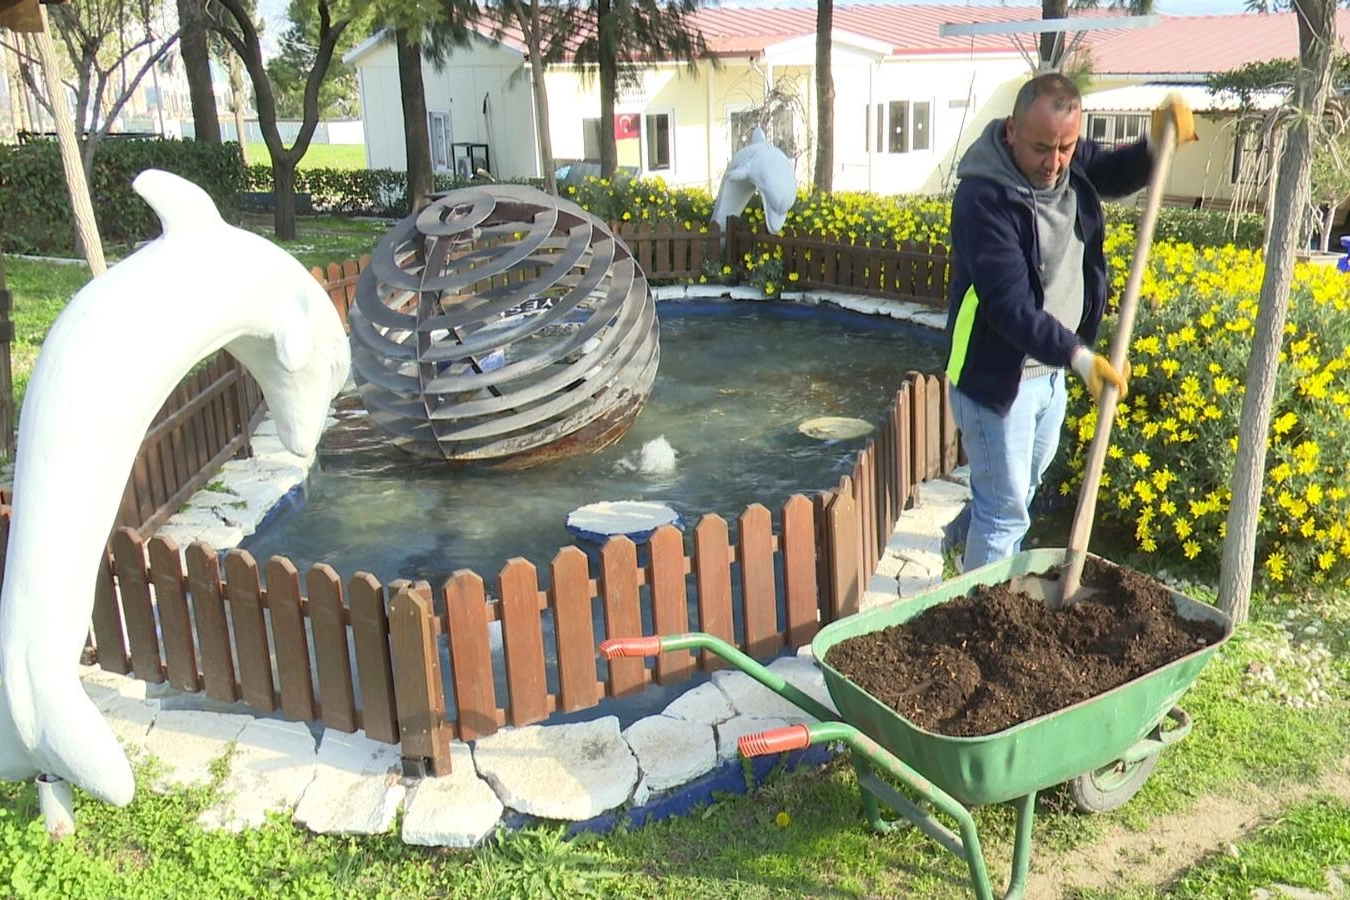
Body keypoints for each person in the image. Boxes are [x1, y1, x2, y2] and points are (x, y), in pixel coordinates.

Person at [944, 74, 1197, 573]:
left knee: (1018, 493)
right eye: (1042, 148)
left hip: (1050, 373)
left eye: (1066, 147)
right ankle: (971, 625)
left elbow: (1112, 170)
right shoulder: (983, 198)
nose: (1054, 162)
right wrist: (1081, 357)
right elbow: (1009, 307)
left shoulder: (1068, 159)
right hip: (998, 378)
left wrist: (1156, 142)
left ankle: (959, 535)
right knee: (1004, 517)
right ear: (1012, 130)